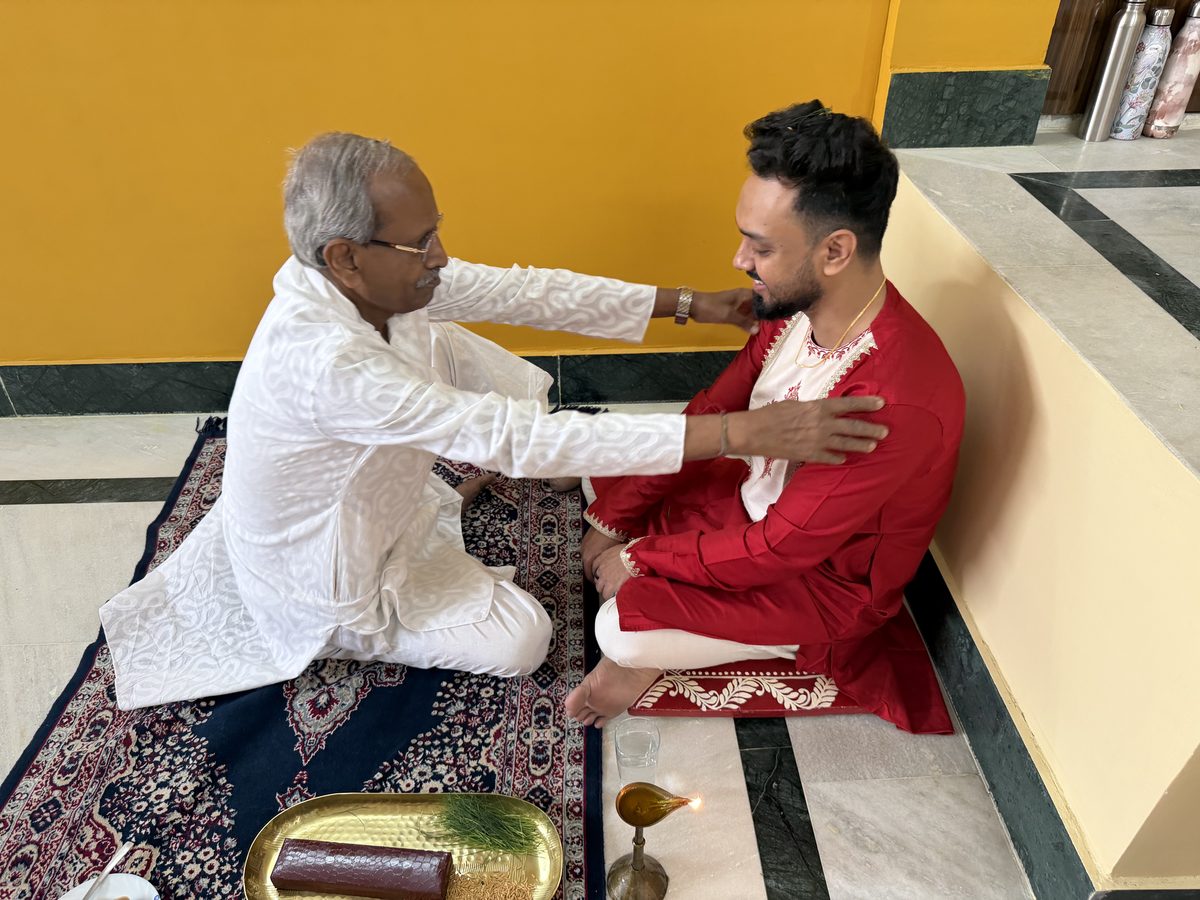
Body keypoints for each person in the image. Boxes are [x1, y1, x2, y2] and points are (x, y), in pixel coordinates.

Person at [99, 131, 890, 710]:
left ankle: (427, 507)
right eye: (421, 243)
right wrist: (736, 435)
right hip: (324, 579)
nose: (440, 256)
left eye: (436, 231)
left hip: (358, 496)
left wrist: (687, 305)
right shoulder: (327, 361)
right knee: (523, 642)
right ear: (344, 255)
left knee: (450, 343)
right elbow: (523, 442)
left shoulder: (373, 278)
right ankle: (347, 627)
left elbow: (525, 291)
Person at [566, 101, 966, 734]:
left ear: (835, 250)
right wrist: (612, 518)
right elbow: (713, 411)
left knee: (622, 627)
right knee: (612, 466)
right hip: (752, 503)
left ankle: (741, 650)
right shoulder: (800, 311)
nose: (738, 260)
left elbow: (778, 551)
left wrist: (640, 558)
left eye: (760, 246)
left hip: (820, 583)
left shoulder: (888, 400)